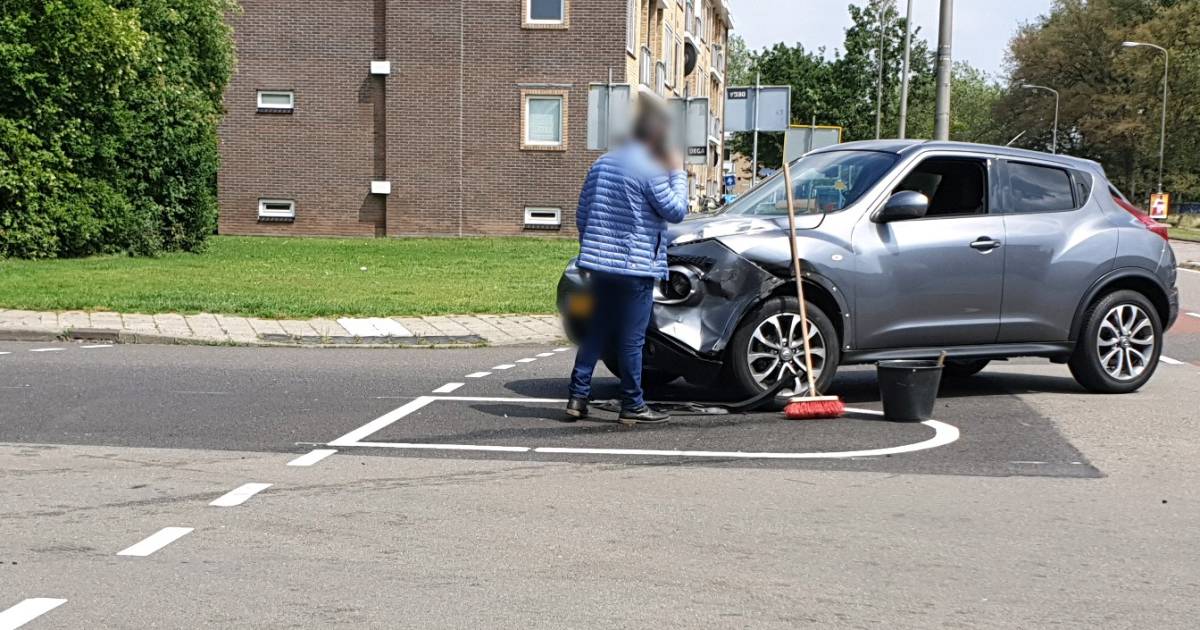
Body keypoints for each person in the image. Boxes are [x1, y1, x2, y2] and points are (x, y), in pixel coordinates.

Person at [565, 103, 689, 425]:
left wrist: (593, 250)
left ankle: (577, 397)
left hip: (600, 265)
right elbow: (676, 211)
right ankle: (632, 404)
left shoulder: (601, 163)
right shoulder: (652, 167)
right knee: (631, 338)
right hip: (635, 266)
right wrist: (678, 172)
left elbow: (583, 214)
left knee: (596, 331)